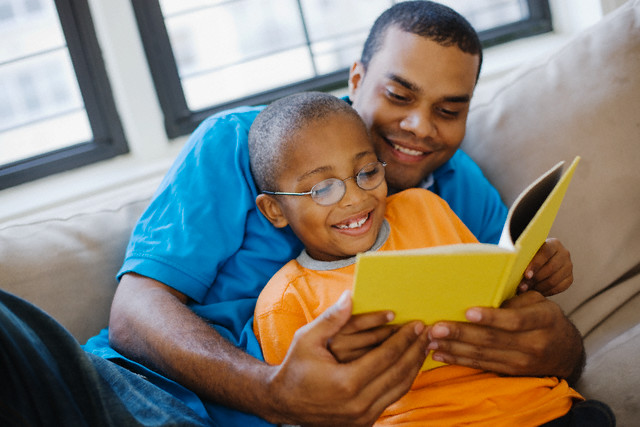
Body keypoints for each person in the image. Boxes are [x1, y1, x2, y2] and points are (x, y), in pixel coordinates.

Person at [0, 2, 583, 426]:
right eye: (399, 95)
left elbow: (515, 320)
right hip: (139, 395)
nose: (420, 127)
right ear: (358, 80)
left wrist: (561, 345)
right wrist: (273, 391)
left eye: (449, 109)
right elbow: (135, 312)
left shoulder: (459, 192)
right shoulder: (241, 142)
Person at [251, 91, 614, 426]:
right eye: (323, 188)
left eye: (366, 172)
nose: (354, 199)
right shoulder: (284, 302)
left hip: (543, 410)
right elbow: (302, 410)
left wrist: (530, 275)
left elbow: (494, 296)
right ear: (274, 210)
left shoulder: (423, 208)